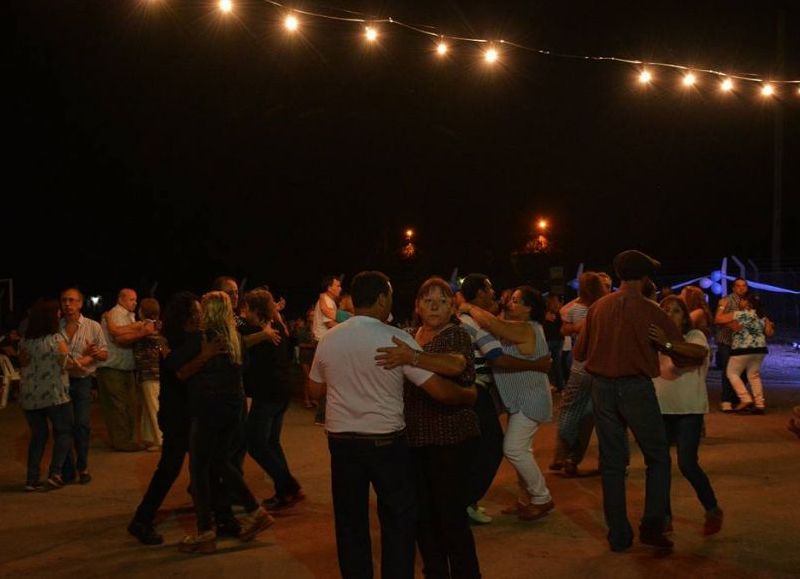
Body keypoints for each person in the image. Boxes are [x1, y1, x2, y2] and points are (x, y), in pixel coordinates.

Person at [309, 271, 477, 579]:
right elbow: (438, 390)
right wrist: (468, 394)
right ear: (383, 298)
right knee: (398, 519)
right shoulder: (394, 339)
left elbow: (314, 391)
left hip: (342, 442)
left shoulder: (329, 339)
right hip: (386, 442)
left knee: (350, 521)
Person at [574, 250, 707, 552]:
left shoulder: (597, 308)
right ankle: (652, 525)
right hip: (636, 388)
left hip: (602, 387)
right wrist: (667, 343)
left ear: (619, 275)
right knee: (657, 456)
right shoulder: (652, 310)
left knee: (612, 463)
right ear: (646, 277)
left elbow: (580, 353)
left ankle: (618, 535)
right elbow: (681, 351)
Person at [375, 277, 481, 578]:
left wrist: (414, 358)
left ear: (452, 308)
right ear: (418, 306)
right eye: (428, 300)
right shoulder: (409, 335)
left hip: (450, 437)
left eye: (443, 300)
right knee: (422, 515)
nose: (434, 305)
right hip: (413, 438)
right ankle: (435, 571)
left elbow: (456, 365)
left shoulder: (456, 335)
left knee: (450, 515)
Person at [128, 293, 241, 547]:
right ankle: (142, 520)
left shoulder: (181, 339)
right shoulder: (177, 342)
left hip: (188, 414)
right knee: (174, 468)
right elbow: (180, 372)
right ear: (187, 316)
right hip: (178, 416)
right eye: (196, 311)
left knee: (206, 467)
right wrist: (207, 355)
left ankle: (224, 518)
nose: (200, 315)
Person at [179, 291, 273, 554]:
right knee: (221, 462)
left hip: (208, 409)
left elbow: (183, 372)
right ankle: (255, 511)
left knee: (198, 470)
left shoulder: (205, 339)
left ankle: (205, 531)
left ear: (209, 312)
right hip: (232, 409)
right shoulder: (236, 339)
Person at [458, 273, 551, 525]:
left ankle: (541, 497)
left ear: (530, 309)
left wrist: (468, 306)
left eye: (518, 301)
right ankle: (525, 498)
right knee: (524, 449)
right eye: (512, 299)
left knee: (513, 448)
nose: (510, 303)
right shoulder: (512, 327)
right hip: (520, 400)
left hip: (530, 400)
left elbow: (493, 326)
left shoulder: (527, 327)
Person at [652, 296, 723, 535]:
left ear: (684, 317)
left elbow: (693, 356)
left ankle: (712, 508)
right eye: (665, 310)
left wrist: (668, 345)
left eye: (676, 311)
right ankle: (664, 517)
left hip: (688, 410)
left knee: (687, 463)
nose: (670, 314)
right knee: (660, 465)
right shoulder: (654, 340)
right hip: (660, 409)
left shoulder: (694, 336)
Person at [241, 289, 304, 511]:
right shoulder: (276, 326)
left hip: (267, 393)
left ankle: (288, 485)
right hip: (280, 391)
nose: (244, 312)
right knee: (271, 442)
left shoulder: (260, 329)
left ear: (256, 310)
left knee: (255, 443)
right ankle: (284, 491)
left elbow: (238, 344)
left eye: (247, 308)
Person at [552, 272, 607, 476]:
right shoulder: (603, 307)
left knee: (575, 413)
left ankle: (568, 457)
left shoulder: (576, 309)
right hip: (595, 367)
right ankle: (570, 458)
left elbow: (564, 325)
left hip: (582, 366)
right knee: (592, 415)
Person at [18, 299, 75, 490]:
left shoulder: (25, 342)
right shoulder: (56, 339)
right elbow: (67, 362)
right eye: (57, 312)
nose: (60, 315)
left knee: (38, 436)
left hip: (30, 397)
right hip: (55, 394)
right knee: (64, 432)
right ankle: (55, 473)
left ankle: (32, 478)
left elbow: (23, 363)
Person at [59, 287, 108, 483]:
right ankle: (67, 469)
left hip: (82, 381)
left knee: (81, 424)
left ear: (80, 303)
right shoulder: (56, 326)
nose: (67, 304)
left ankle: (83, 466)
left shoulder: (92, 326)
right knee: (63, 427)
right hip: (60, 382)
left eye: (71, 300)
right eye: (64, 300)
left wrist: (94, 353)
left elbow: (105, 354)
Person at [98, 289, 156, 450]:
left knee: (128, 405)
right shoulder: (116, 314)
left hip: (124, 367)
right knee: (119, 406)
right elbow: (119, 338)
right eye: (131, 299)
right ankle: (122, 441)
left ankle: (127, 440)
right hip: (113, 366)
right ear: (121, 299)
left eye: (135, 300)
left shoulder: (127, 316)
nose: (134, 303)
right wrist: (142, 332)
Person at [717, 294, 775, 414]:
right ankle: (759, 403)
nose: (740, 301)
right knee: (754, 375)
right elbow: (769, 333)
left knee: (732, 373)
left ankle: (745, 398)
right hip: (760, 349)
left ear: (748, 304)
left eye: (743, 300)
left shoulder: (739, 314)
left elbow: (718, 319)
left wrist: (722, 307)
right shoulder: (763, 317)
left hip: (741, 349)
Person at [134, 298, 167, 450]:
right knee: (148, 406)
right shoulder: (159, 325)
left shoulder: (148, 326)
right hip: (150, 371)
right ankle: (150, 438)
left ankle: (160, 439)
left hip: (150, 371)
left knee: (153, 406)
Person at [713, 278, 749, 412]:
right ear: (733, 288)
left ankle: (737, 399)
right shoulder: (726, 300)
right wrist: (731, 323)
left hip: (743, 343)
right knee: (728, 371)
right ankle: (726, 400)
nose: (741, 288)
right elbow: (717, 319)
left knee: (744, 372)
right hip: (727, 341)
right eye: (738, 286)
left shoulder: (749, 302)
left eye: (744, 286)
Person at [313, 275, 342, 425]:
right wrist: (349, 328)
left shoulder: (327, 300)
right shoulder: (326, 301)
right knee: (328, 380)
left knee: (327, 380)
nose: (340, 288)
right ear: (329, 287)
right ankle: (322, 416)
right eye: (337, 285)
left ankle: (322, 416)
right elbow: (330, 323)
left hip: (324, 342)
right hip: (325, 342)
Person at [543, 294, 564, 392]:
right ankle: (560, 386)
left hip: (548, 340)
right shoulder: (559, 313)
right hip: (559, 340)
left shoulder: (545, 314)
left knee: (544, 363)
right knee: (557, 364)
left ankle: (546, 386)